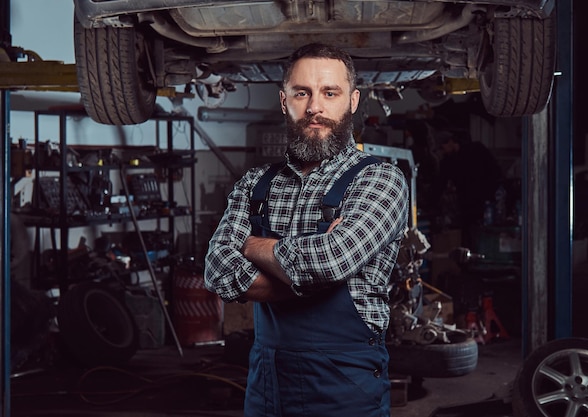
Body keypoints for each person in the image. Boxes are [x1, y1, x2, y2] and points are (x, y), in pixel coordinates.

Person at [204, 43, 409, 417]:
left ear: (352, 100)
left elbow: (331, 261)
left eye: (330, 93)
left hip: (345, 388)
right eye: (303, 93)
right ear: (285, 101)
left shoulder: (380, 179)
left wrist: (251, 246)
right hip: (267, 387)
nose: (315, 106)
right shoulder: (255, 184)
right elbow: (218, 272)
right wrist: (309, 271)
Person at [433, 130, 503, 248]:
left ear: (450, 142)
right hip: (481, 204)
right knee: (478, 236)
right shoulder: (476, 149)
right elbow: (497, 172)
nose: (442, 151)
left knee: (474, 237)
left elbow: (439, 186)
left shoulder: (452, 160)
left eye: (442, 147)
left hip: (477, 204)